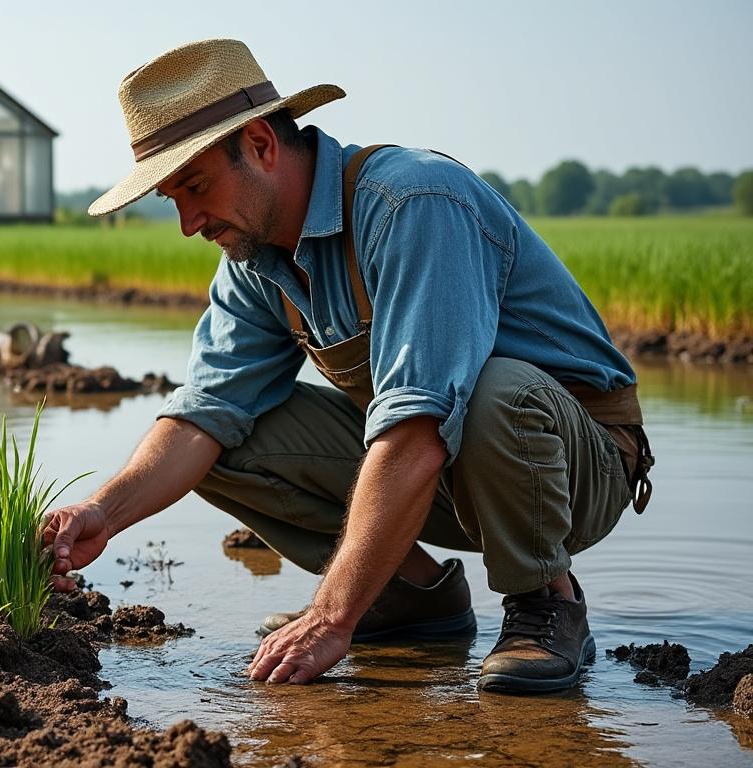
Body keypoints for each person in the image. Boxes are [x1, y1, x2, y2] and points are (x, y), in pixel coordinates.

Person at [41, 38, 654, 694]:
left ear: (260, 144)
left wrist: (331, 617)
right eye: (172, 199)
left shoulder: (414, 203)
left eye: (196, 186)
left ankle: (546, 600)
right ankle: (408, 598)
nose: (189, 222)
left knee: (491, 391)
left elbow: (419, 427)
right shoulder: (254, 260)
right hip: (446, 470)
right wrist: (103, 511)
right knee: (222, 439)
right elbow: (203, 414)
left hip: (570, 467)